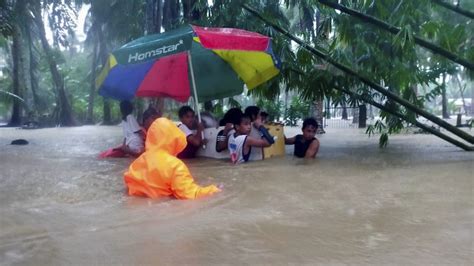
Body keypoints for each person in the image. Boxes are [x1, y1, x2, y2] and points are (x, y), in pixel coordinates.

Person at [124, 118, 221, 199]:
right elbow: (191, 194)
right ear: (173, 139)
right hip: (162, 213)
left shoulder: (136, 163)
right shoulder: (175, 166)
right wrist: (213, 189)